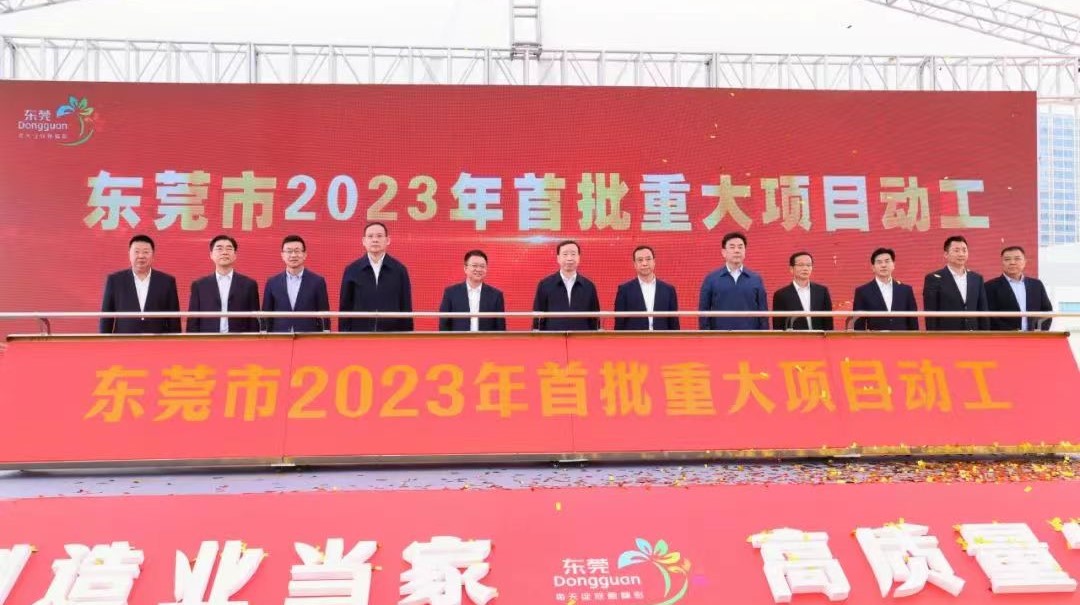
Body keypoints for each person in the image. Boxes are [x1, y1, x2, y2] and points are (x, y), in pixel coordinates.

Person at [339, 222, 413, 332]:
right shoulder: (352, 270)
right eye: (370, 236)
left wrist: (406, 335)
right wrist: (344, 334)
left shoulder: (399, 270)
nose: (375, 240)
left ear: (387, 240)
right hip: (359, 334)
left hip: (392, 334)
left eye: (379, 236)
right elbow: (345, 307)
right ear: (364, 241)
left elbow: (406, 306)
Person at [100, 234, 181, 334]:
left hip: (158, 340)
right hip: (124, 339)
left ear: (153, 255)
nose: (141, 256)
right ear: (129, 254)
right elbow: (106, 318)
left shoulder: (167, 282)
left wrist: (176, 340)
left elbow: (174, 320)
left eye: (146, 252)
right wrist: (103, 340)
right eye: (136, 251)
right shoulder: (114, 280)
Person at [186, 235, 261, 333]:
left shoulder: (249, 285)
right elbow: (193, 321)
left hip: (239, 338)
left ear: (235, 255)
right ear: (211, 254)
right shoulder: (199, 286)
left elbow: (254, 321)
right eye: (219, 248)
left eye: (229, 248)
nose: (224, 252)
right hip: (208, 338)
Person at [698, 232, 768, 330]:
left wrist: (763, 334)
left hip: (750, 335)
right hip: (720, 335)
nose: (737, 250)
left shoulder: (755, 279)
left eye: (740, 247)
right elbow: (703, 311)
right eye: (732, 247)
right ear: (723, 252)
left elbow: (763, 313)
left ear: (745, 251)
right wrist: (707, 334)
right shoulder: (711, 279)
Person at [262, 235, 330, 332]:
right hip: (280, 336)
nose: (293, 255)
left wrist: (325, 334)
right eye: (289, 251)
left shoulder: (318, 282)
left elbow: (324, 315)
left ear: (304, 254)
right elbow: (266, 315)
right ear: (282, 255)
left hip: (308, 336)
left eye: (297, 251)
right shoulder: (272, 283)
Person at [923, 235, 989, 331]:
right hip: (947, 334)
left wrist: (984, 334)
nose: (961, 254)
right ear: (946, 254)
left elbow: (983, 310)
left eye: (964, 250)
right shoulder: (933, 278)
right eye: (956, 250)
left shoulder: (976, 278)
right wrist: (934, 336)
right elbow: (930, 313)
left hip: (973, 334)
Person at [532, 240, 601, 331]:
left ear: (579, 257)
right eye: (565, 254)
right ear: (558, 258)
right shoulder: (545, 284)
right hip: (553, 337)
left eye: (573, 254)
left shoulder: (589, 286)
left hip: (582, 337)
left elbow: (595, 318)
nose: (569, 258)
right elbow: (538, 316)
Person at [984, 245, 1054, 331]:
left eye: (1017, 259)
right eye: (1007, 259)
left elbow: (1047, 312)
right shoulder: (989, 287)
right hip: (1003, 336)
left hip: (1033, 336)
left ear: (1025, 262)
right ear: (1002, 263)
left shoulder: (1036, 285)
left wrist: (1039, 332)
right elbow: (989, 316)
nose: (1012, 262)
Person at [613, 245, 680, 330]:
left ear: (654, 262)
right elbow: (619, 324)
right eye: (640, 260)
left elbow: (674, 323)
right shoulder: (624, 290)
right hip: (635, 337)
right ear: (635, 264)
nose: (644, 263)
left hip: (661, 337)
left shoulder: (668, 290)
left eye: (648, 259)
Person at [438, 250, 507, 332]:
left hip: (486, 339)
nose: (478, 269)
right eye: (474, 265)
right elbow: (444, 325)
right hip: (459, 339)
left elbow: (500, 328)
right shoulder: (451, 293)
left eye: (482, 266)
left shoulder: (496, 295)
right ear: (465, 268)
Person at [852, 248, 919, 331]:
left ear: (893, 265)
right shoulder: (862, 292)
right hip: (875, 338)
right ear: (873, 267)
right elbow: (858, 325)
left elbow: (913, 322)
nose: (883, 265)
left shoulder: (906, 290)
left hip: (901, 337)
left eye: (887, 261)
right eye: (879, 262)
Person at [771, 251, 833, 330]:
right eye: (801, 265)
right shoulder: (781, 295)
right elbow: (778, 326)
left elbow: (828, 322)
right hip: (794, 337)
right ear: (791, 269)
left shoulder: (822, 292)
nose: (805, 268)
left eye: (808, 265)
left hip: (818, 336)